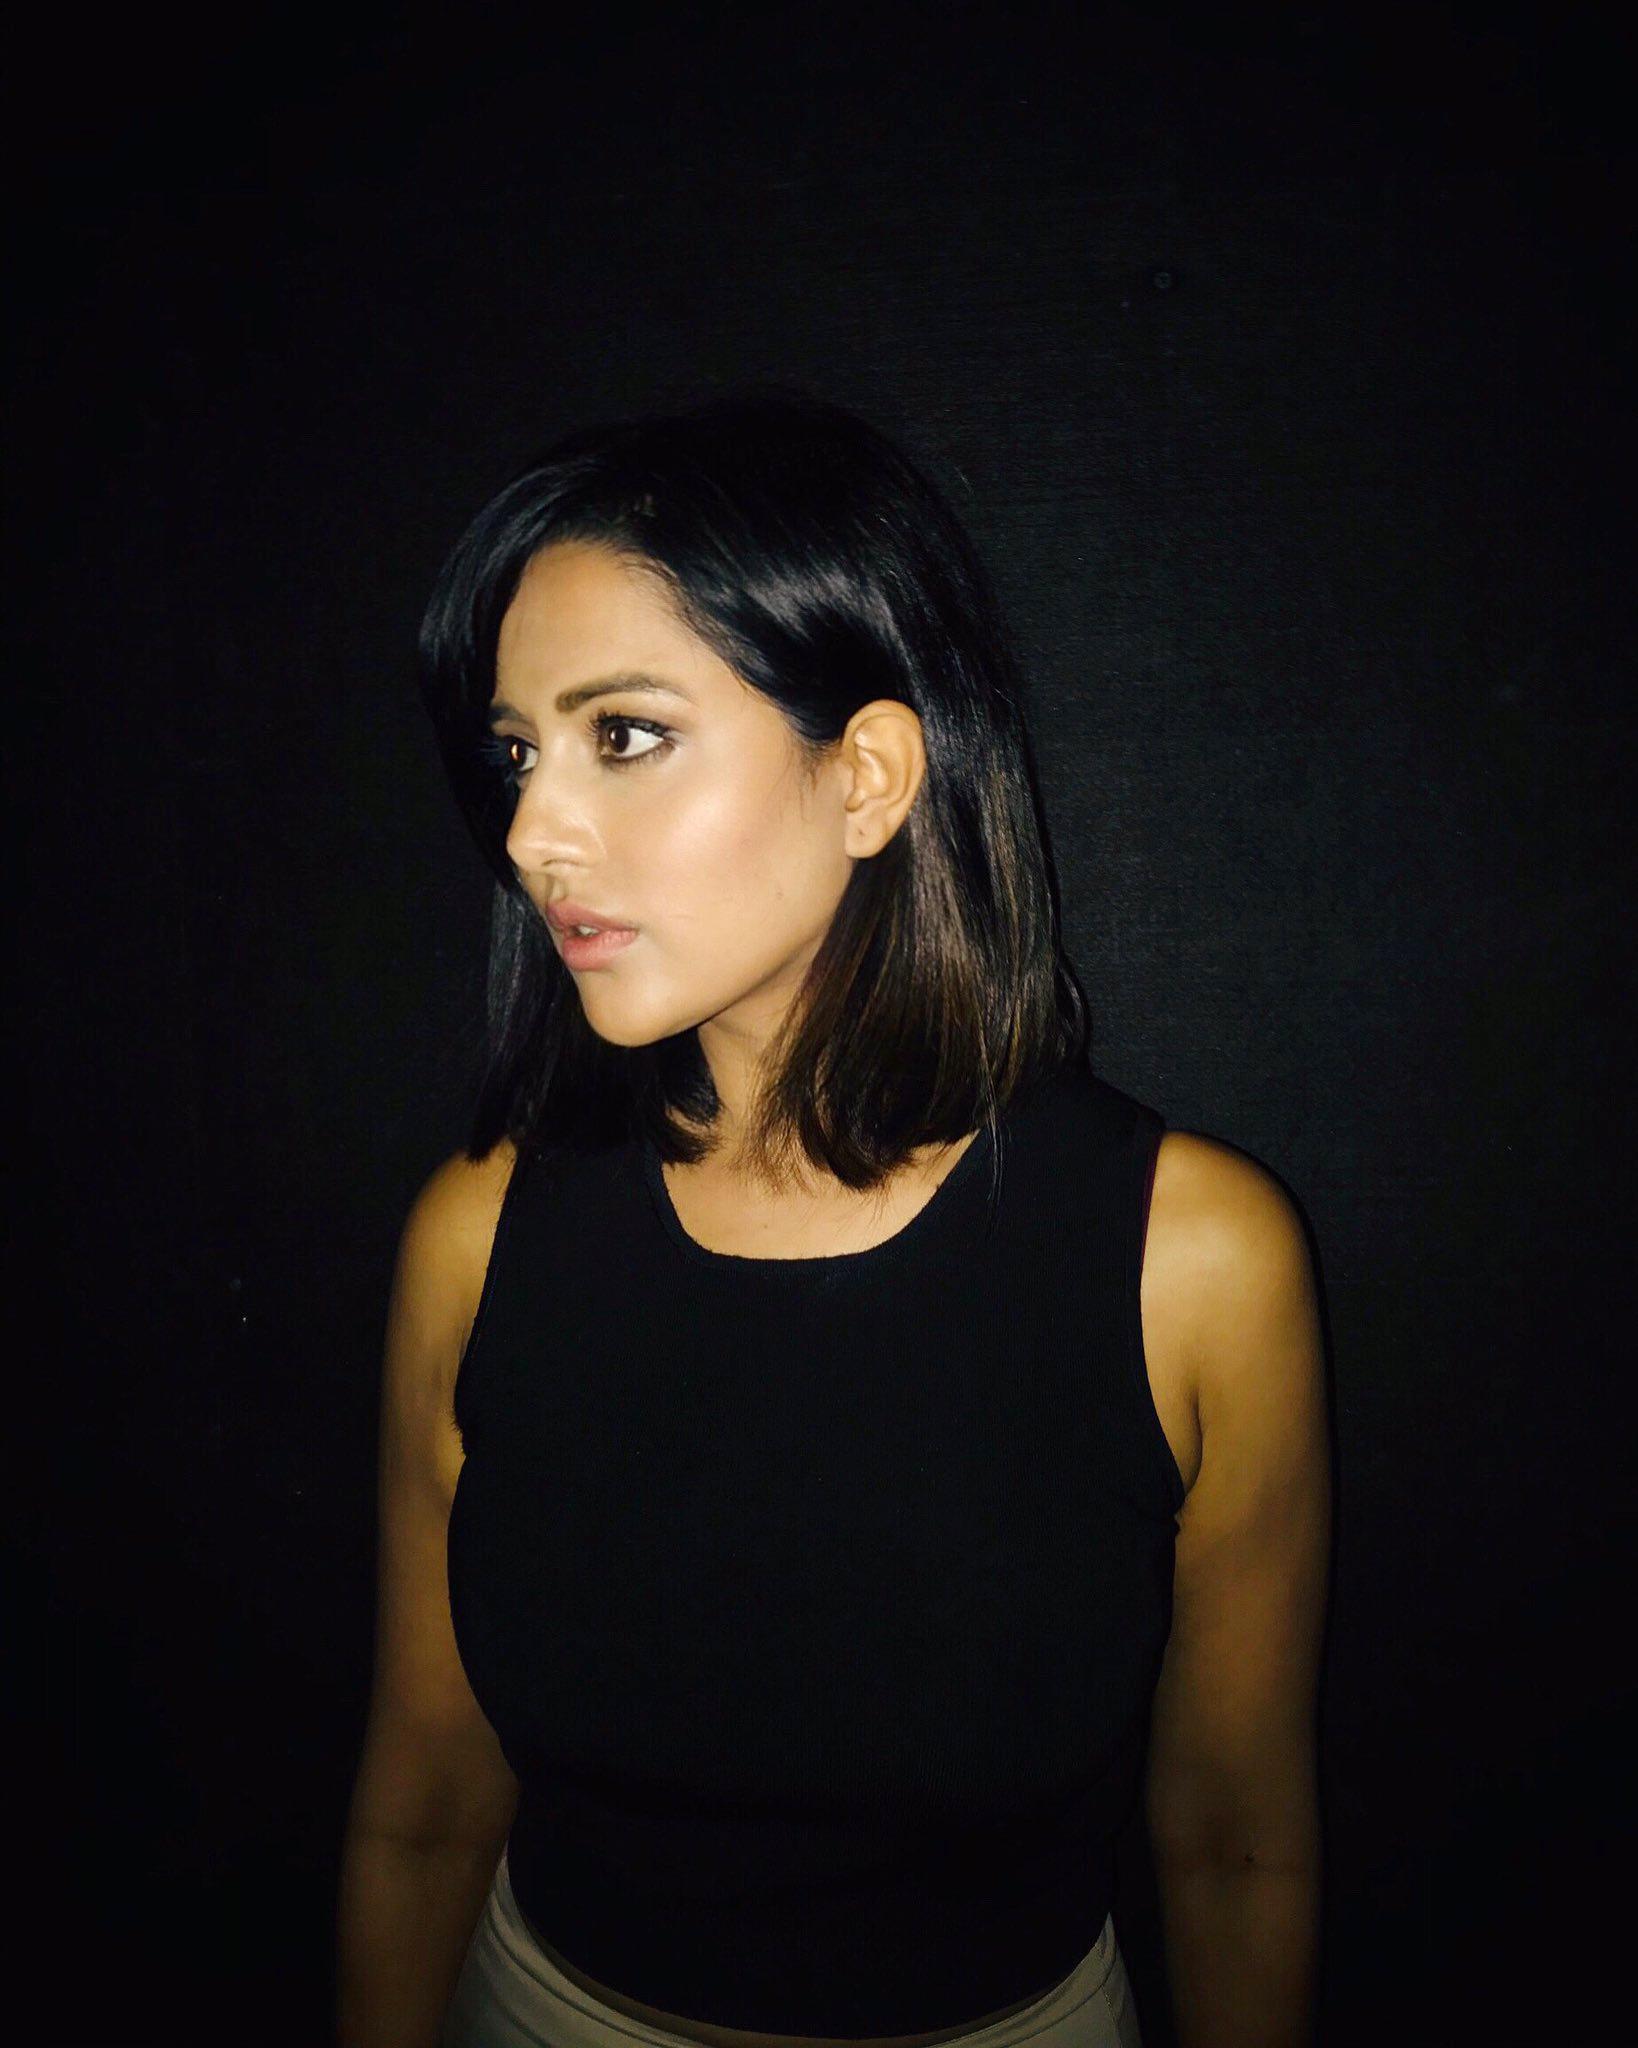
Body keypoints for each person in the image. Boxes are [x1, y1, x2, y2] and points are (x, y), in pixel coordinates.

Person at [336, 396, 1329, 2048]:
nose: (527, 834)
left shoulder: (1190, 1264)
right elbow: (425, 1802)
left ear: (865, 776)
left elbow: (1234, 1843)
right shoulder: (478, 1232)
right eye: (516, 753)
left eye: (622, 734)